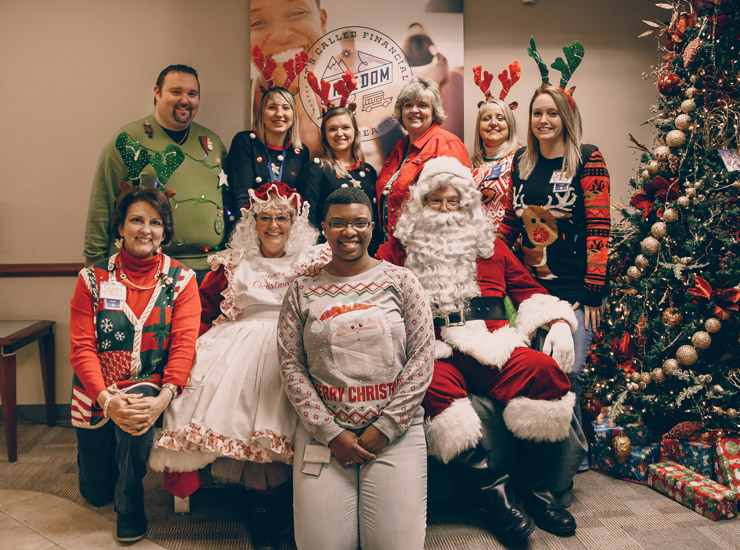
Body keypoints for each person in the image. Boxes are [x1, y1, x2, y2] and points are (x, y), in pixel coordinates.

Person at [376, 156, 582, 542]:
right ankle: (497, 498)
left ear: (468, 205)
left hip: (490, 345)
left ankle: (533, 490)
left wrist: (557, 322)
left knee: (544, 373)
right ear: (420, 204)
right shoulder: (396, 252)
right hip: (432, 348)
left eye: (453, 201)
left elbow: (529, 292)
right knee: (429, 386)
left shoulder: (493, 250)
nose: (445, 209)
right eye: (435, 201)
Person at [150, 182, 327, 549]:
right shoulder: (234, 262)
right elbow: (202, 308)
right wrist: (182, 354)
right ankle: (263, 512)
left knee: (279, 411)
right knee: (244, 411)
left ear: (295, 222)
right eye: (265, 217)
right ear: (253, 221)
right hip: (237, 341)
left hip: (291, 338)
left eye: (282, 217)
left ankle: (289, 509)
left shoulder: (312, 261)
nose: (274, 224)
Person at [278, 187, 434, 550]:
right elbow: (290, 364)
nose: (349, 232)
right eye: (338, 223)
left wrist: (386, 426)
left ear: (373, 227)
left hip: (395, 434)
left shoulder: (402, 281)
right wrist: (330, 432)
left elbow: (422, 357)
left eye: (359, 223)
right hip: (324, 435)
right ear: (324, 228)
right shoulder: (302, 290)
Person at [70, 187, 200, 543]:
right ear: (120, 227)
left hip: (148, 383)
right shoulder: (92, 279)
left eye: (155, 222)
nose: (146, 230)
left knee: (138, 411)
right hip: (96, 391)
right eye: (137, 220)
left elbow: (184, 345)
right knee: (95, 493)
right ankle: (108, 464)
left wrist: (164, 395)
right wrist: (106, 399)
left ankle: (129, 505)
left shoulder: (182, 280)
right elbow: (82, 348)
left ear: (165, 231)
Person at [498, 84, 610, 433]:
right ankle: (543, 448)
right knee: (536, 370)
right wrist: (488, 253)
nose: (543, 120)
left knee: (568, 367)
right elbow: (511, 220)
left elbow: (600, 228)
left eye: (552, 113)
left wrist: (592, 290)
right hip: (531, 290)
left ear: (567, 117)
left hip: (576, 287)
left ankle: (574, 457)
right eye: (537, 113)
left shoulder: (588, 159)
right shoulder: (521, 161)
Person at [84, 64, 229, 280]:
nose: (185, 100)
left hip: (209, 272)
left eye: (192, 94)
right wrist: (94, 273)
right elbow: (101, 208)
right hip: (144, 270)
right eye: (176, 92)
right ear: (157, 93)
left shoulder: (213, 143)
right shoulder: (126, 141)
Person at [375, 75, 469, 242]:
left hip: (426, 251)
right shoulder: (398, 149)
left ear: (434, 112)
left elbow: (459, 207)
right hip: (391, 251)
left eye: (423, 105)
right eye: (408, 105)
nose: (414, 110)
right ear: (401, 112)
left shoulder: (447, 144)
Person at [250, 0, 327, 157]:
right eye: (257, 22)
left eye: (296, 13)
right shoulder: (232, 108)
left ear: (322, 22)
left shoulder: (339, 112)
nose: (281, 35)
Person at [299, 106, 380, 254]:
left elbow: (376, 218)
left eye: (345, 127)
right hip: (329, 255)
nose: (339, 133)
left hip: (368, 255)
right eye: (332, 129)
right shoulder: (315, 169)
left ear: (355, 131)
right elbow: (306, 221)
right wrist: (316, 255)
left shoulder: (368, 171)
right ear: (324, 135)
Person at [226, 84, 309, 224]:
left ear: (294, 115)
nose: (279, 114)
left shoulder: (301, 152)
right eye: (272, 107)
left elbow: (300, 203)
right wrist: (247, 236)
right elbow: (241, 196)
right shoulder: (245, 142)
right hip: (251, 227)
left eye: (286, 108)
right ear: (262, 112)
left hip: (286, 230)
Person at [471, 97, 521, 233]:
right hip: (476, 245)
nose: (493, 123)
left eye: (500, 118)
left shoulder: (521, 159)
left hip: (511, 246)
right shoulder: (472, 165)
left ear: (509, 124)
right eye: (486, 118)